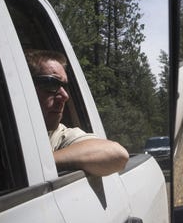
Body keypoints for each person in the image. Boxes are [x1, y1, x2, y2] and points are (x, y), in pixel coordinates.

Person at [25, 49, 129, 177]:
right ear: (24, 86)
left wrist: (38, 164)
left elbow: (117, 155)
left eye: (65, 86)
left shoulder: (58, 136)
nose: (65, 95)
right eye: (51, 84)